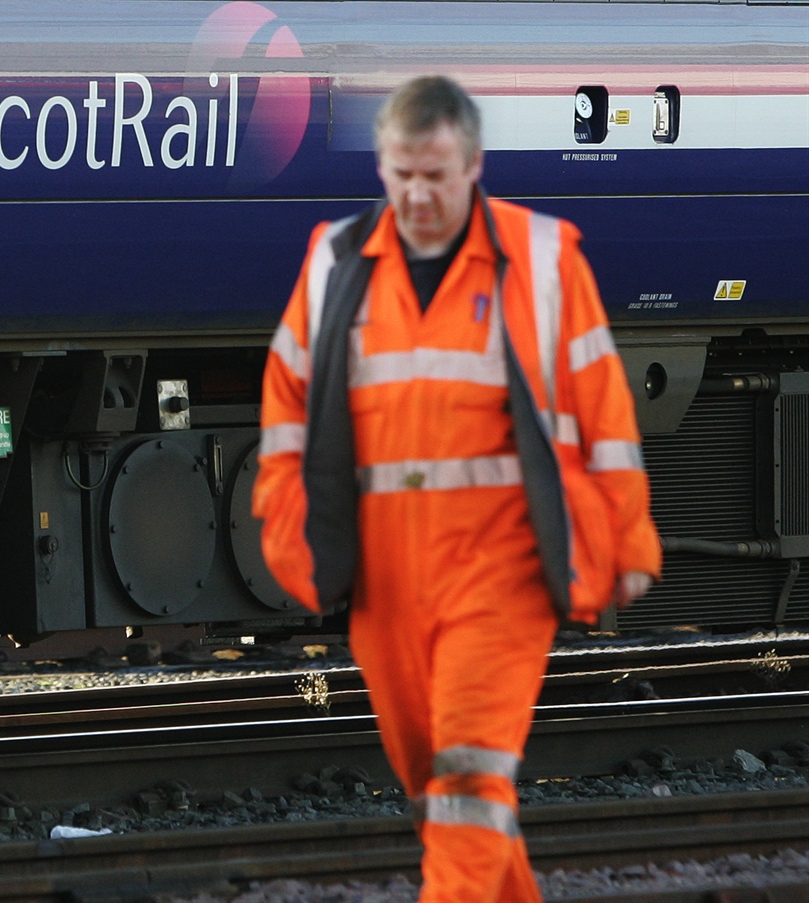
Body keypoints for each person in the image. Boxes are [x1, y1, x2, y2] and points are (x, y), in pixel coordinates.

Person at [254, 75, 660, 901]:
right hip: (388, 578)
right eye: (402, 174)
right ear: (381, 167)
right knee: (436, 788)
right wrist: (285, 534)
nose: (417, 194)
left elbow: (603, 411)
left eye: (435, 174)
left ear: (474, 165)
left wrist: (627, 540)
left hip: (500, 566)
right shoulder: (335, 264)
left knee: (469, 778)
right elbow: (288, 415)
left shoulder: (542, 259)